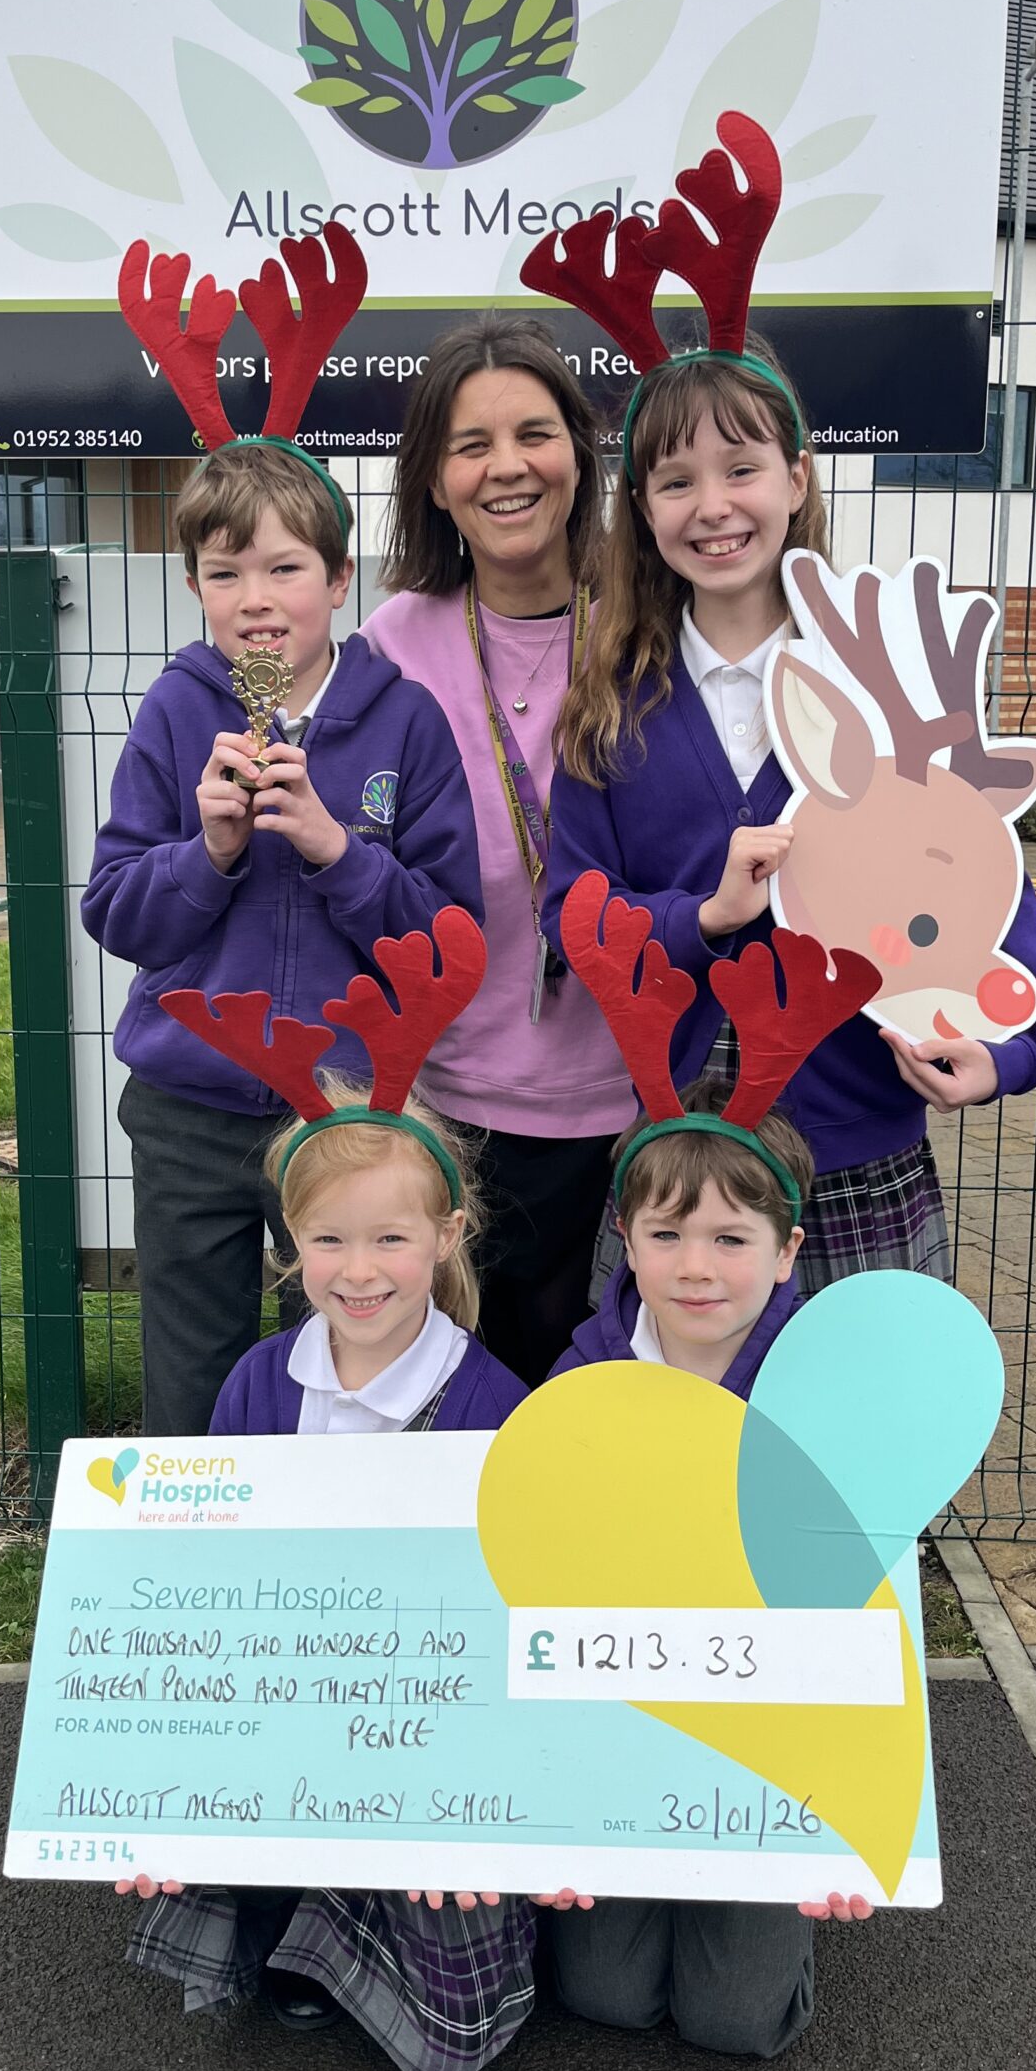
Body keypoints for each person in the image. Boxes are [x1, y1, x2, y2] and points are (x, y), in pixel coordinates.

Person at [533, 119, 1036, 1293]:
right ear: (642, 507)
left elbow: (986, 879)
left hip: (857, 1147)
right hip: (680, 1162)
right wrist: (701, 917)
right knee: (674, 1451)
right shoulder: (609, 709)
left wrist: (1007, 1051)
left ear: (799, 477)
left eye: (741, 468)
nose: (711, 505)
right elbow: (575, 916)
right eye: (673, 480)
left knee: (852, 1461)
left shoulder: (894, 682)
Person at [115, 922, 543, 2071]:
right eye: (328, 1239)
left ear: (446, 1236)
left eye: (392, 1238)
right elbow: (205, 1594)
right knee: (224, 1797)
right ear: (290, 1242)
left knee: (450, 2048)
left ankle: (355, 1926)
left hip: (431, 1726)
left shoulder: (493, 1404)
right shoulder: (260, 1380)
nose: (361, 1270)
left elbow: (508, 1617)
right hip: (291, 1702)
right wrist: (143, 1782)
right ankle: (290, 1918)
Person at [83, 228, 482, 1435]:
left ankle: (361, 1556)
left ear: (339, 580)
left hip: (348, 1102)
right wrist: (202, 851)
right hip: (195, 1102)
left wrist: (331, 848)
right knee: (197, 1370)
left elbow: (448, 931)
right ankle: (204, 1583)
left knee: (365, 1350)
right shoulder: (176, 708)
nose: (256, 600)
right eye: (223, 573)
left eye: (284, 568)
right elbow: (113, 909)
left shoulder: (401, 721)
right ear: (196, 587)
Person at [535, 875, 880, 2055]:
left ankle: (772, 1910)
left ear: (787, 1254)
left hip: (762, 1743)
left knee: (736, 2019)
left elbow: (861, 1620)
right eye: (667, 1231)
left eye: (731, 1237)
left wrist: (850, 1823)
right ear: (623, 1238)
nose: (696, 1265)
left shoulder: (822, 1402)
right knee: (604, 1994)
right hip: (625, 1727)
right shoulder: (575, 1389)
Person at [362, 319, 633, 1385]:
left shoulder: (647, 622)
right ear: (433, 478)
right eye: (472, 445)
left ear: (581, 451)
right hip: (451, 1091)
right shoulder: (395, 640)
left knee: (595, 1393)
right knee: (458, 1390)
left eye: (535, 433)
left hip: (628, 1090)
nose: (507, 466)